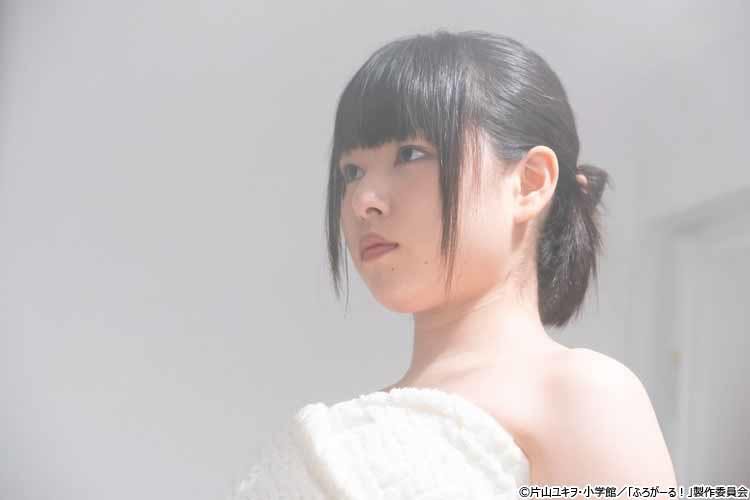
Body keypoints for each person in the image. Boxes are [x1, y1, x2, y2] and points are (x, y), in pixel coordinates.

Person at [232, 29, 677, 499]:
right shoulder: (347, 430)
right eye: (351, 171)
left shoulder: (580, 394)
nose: (363, 200)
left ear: (529, 182)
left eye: (410, 154)